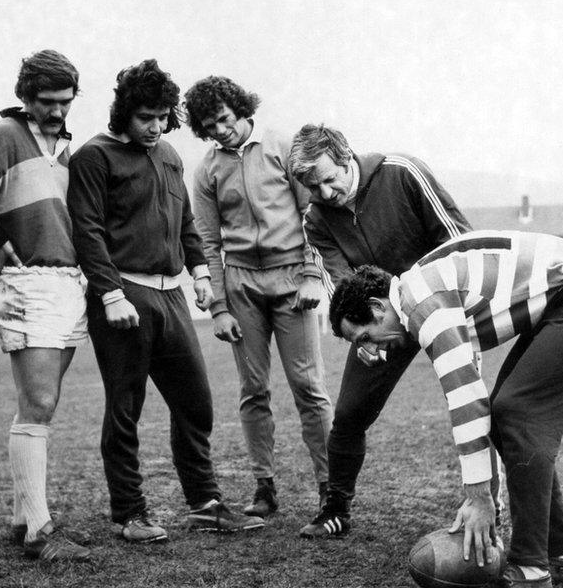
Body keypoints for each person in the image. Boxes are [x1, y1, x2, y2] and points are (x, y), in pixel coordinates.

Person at [327, 230, 563, 588]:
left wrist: (479, 498)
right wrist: (484, 490)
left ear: (376, 307)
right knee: (508, 415)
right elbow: (475, 395)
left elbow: (466, 398)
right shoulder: (419, 292)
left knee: (518, 415)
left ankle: (530, 577)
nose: (370, 351)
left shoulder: (422, 303)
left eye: (364, 338)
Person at [67, 59, 264, 543]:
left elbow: (186, 222)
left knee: (195, 402)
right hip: (122, 296)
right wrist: (109, 292)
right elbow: (87, 231)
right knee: (125, 408)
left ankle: (204, 503)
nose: (155, 127)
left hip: (171, 294)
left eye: (162, 117)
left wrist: (199, 273)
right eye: (145, 117)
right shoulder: (95, 157)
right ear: (123, 114)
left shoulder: (170, 154)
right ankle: (130, 513)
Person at [288, 124, 473, 538]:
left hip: (444, 308)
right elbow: (344, 290)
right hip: (381, 320)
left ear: (346, 156)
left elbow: (459, 241)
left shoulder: (403, 173)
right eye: (315, 188)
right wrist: (363, 339)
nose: (327, 194)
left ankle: (488, 508)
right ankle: (335, 508)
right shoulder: (317, 220)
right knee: (350, 413)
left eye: (330, 179)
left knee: (476, 405)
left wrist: (448, 308)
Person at [0, 49, 90, 562]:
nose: (56, 111)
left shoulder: (68, 144)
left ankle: (23, 516)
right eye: (47, 102)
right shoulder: (1, 137)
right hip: (29, 280)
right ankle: (39, 531)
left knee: (40, 403)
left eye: (65, 102)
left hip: (70, 282)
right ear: (25, 97)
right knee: (39, 405)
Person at [183, 76, 333, 519]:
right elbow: (208, 241)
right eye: (209, 126)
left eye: (225, 119)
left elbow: (314, 213)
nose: (220, 131)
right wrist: (218, 307)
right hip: (242, 285)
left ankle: (330, 486)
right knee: (253, 390)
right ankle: (264, 487)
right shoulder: (207, 168)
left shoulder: (282, 146)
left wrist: (310, 276)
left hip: (292, 280)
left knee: (309, 387)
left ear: (243, 109)